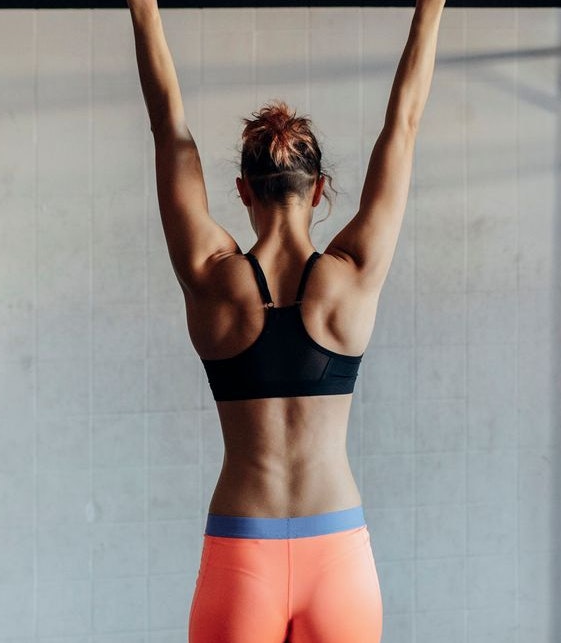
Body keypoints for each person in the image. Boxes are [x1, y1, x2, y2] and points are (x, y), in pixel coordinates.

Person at [127, 1, 445, 641]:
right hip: (338, 550)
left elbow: (170, 131)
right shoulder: (351, 277)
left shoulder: (213, 279)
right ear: (320, 189)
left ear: (243, 189)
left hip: (243, 547)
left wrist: (144, 11)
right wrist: (429, 8)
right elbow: (403, 126)